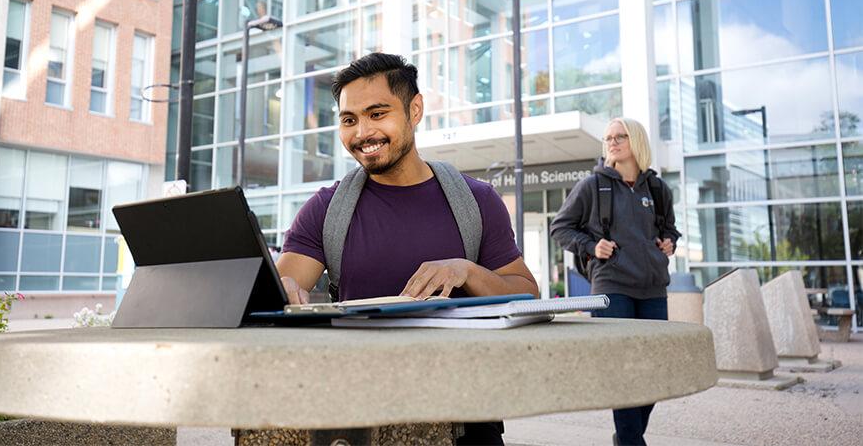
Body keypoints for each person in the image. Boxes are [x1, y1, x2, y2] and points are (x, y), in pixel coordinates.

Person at [277, 52, 539, 446]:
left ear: (414, 110)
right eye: (349, 120)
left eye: (377, 113)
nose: (362, 132)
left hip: (466, 419)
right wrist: (283, 291)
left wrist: (467, 270)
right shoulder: (327, 208)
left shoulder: (476, 200)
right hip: (360, 415)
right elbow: (283, 284)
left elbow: (526, 292)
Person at [550, 117, 679, 446]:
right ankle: (631, 440)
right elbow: (561, 228)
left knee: (654, 372)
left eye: (620, 136)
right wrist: (592, 246)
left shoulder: (658, 188)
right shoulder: (593, 185)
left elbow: (668, 229)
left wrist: (669, 242)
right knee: (623, 370)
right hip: (612, 287)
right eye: (608, 137)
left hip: (652, 288)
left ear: (636, 141)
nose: (612, 142)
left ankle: (626, 437)